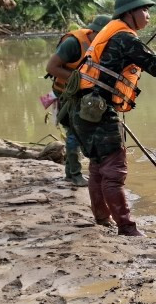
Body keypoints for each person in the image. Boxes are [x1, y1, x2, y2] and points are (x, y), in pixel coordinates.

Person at [70, 0, 156, 237]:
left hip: (83, 109)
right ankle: (127, 228)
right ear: (129, 14)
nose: (148, 16)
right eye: (144, 10)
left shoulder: (111, 32)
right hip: (98, 110)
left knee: (98, 165)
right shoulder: (125, 39)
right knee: (113, 168)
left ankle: (101, 218)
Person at [44, 14, 111, 186]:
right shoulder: (73, 43)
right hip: (65, 94)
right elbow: (51, 67)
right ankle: (74, 174)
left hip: (85, 95)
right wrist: (81, 81)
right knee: (74, 133)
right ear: (94, 31)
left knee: (87, 132)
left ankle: (72, 172)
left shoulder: (104, 46)